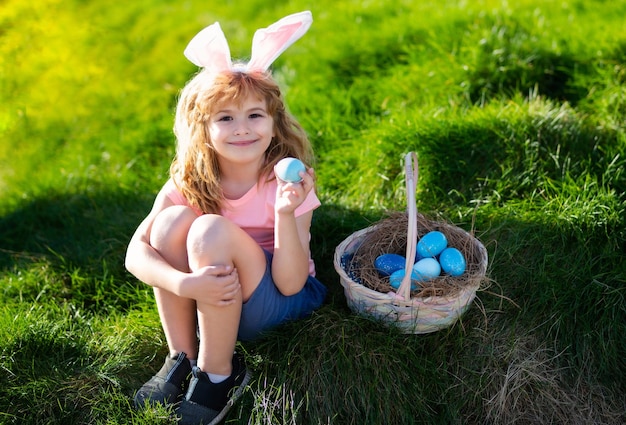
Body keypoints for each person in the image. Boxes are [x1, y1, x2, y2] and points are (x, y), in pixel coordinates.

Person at [124, 11, 327, 425]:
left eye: (254, 115)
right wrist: (185, 283)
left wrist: (286, 213)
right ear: (206, 129)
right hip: (213, 292)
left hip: (279, 303)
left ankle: (219, 373)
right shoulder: (191, 180)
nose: (242, 129)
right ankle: (182, 357)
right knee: (169, 224)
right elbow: (135, 254)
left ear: (274, 125)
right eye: (225, 118)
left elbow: (291, 283)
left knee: (209, 229)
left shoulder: (286, 183)